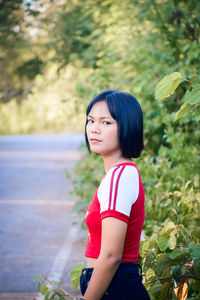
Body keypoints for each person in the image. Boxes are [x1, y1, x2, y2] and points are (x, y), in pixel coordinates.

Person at [79, 90, 150, 300]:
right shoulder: (120, 174)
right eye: (90, 121)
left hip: (116, 288)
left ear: (127, 127)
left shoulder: (119, 177)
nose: (94, 129)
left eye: (106, 122)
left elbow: (111, 256)